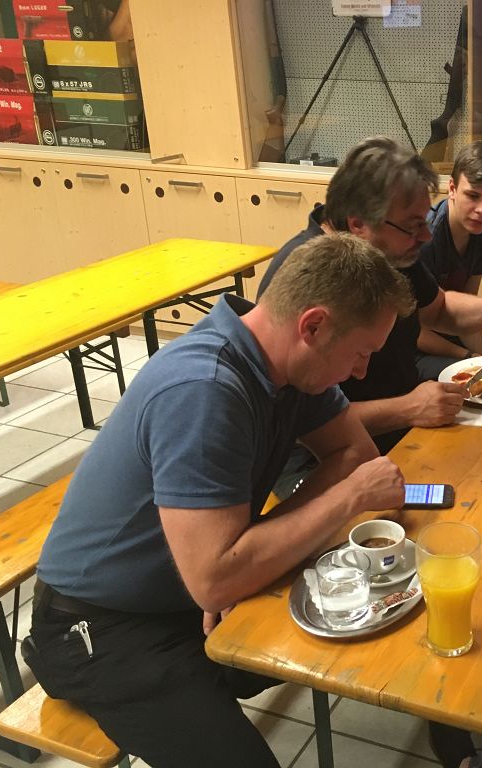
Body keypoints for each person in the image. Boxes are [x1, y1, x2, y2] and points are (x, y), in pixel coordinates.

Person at [26, 235, 415, 767]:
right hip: (100, 626)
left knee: (367, 620)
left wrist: (247, 556)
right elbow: (214, 581)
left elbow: (354, 453)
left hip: (183, 594)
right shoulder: (204, 388)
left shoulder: (288, 365)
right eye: (361, 353)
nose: (361, 372)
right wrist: (339, 502)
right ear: (314, 327)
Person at [257, 136, 482, 464]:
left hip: (401, 429)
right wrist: (408, 408)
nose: (426, 236)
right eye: (413, 226)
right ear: (358, 223)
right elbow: (302, 425)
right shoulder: (305, 275)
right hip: (327, 459)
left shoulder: (388, 247)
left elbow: (439, 309)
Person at [416, 141, 482, 379]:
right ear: (452, 188)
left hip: (451, 337)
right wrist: (468, 357)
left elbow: (467, 317)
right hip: (412, 348)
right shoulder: (423, 239)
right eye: (473, 196)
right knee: (480, 383)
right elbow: (412, 330)